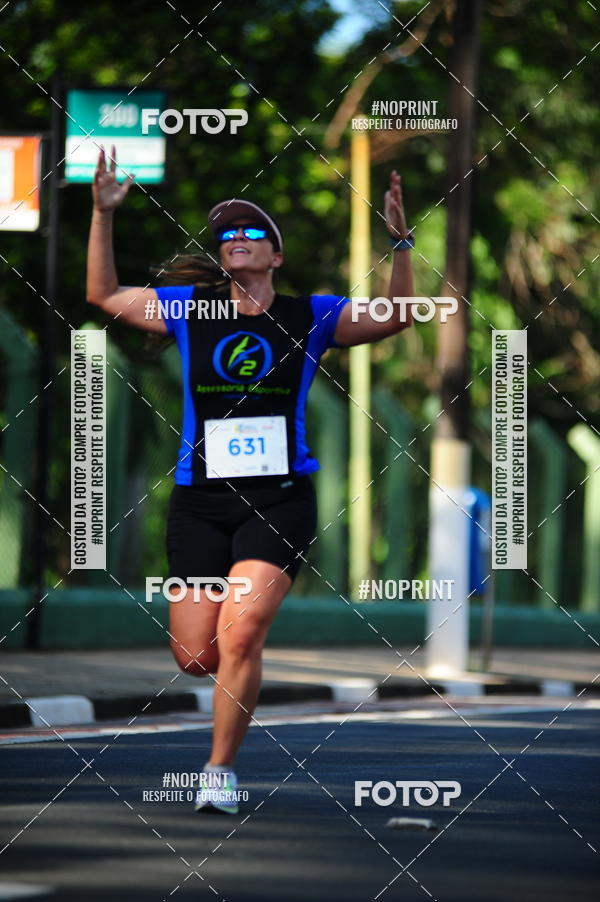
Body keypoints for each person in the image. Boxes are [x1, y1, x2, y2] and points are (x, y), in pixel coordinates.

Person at [86, 145, 415, 814]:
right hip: (200, 500)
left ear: (275, 255)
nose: (236, 239)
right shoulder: (190, 309)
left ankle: (219, 771)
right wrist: (101, 215)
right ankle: (225, 697)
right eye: (227, 234)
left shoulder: (310, 315)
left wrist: (400, 243)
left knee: (241, 635)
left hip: (279, 496)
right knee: (195, 655)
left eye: (251, 233)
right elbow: (104, 294)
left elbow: (397, 315)